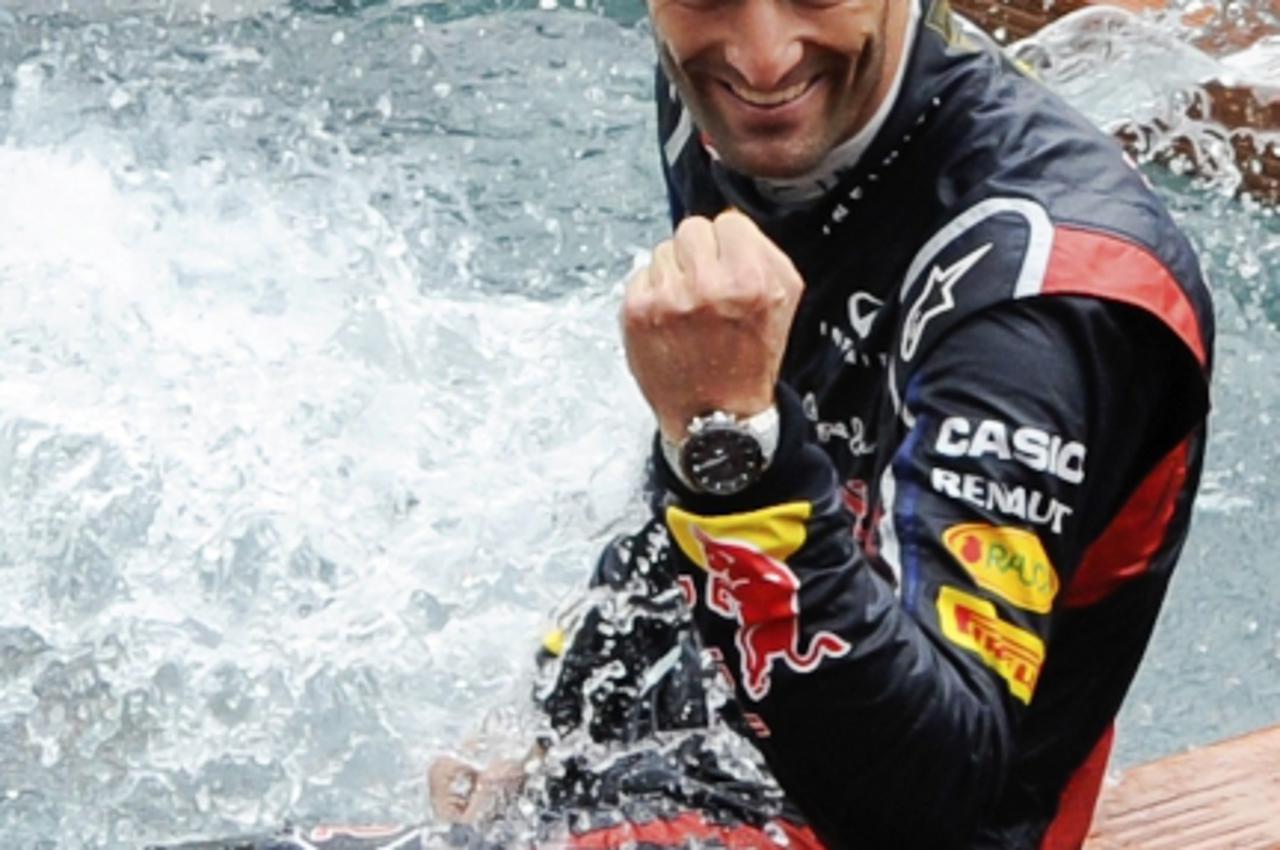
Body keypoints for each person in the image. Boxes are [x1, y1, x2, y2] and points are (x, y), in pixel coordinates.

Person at [434, 1, 1215, 848]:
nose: (763, 62)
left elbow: (935, 809)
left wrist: (731, 442)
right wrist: (557, 712)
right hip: (738, 737)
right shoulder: (728, 107)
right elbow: (719, 488)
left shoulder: (1039, 302)